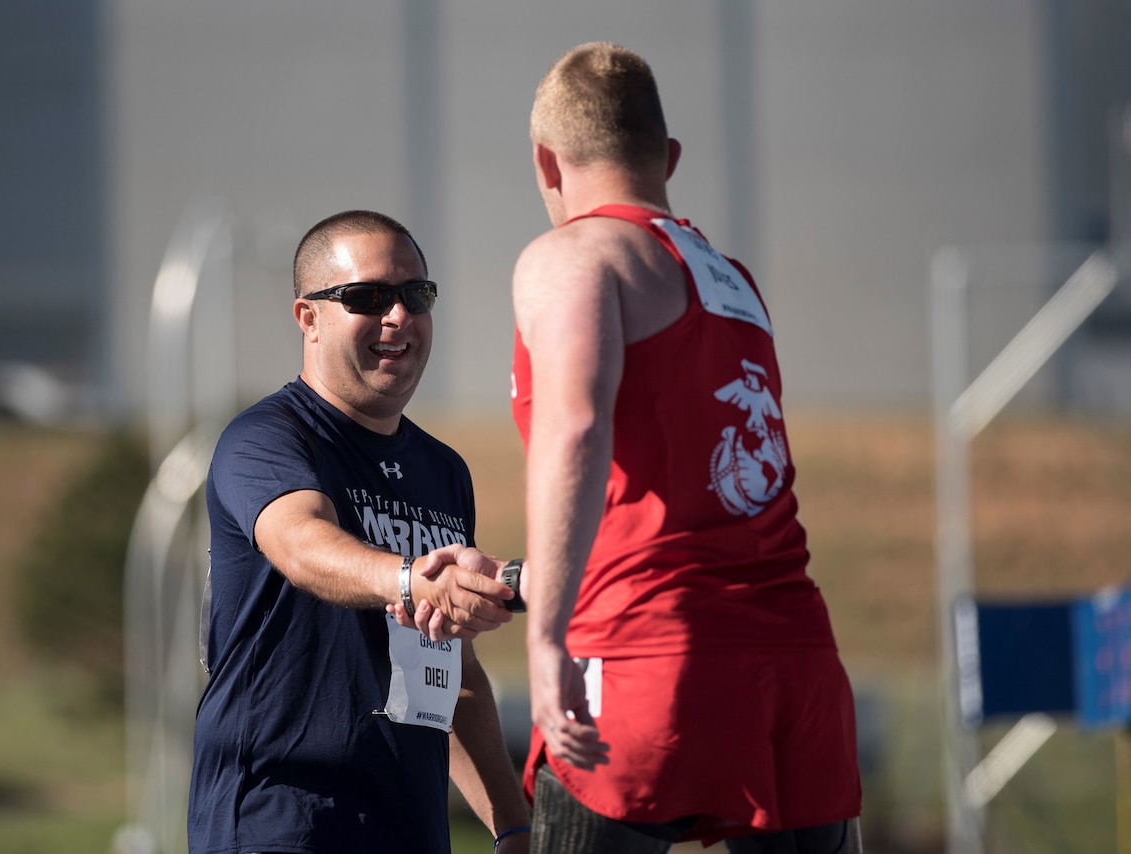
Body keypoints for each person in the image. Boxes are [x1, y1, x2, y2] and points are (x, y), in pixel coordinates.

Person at [508, 43, 863, 853]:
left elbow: (576, 427)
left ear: (546, 165)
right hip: (796, 661)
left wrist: (546, 637)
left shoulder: (574, 256)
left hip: (648, 652)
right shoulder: (730, 277)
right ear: (667, 159)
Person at [188, 209, 532, 854]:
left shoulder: (443, 471)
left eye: (415, 295)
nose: (397, 316)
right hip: (281, 822)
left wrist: (513, 828)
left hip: (411, 828)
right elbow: (301, 544)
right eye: (367, 298)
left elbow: (452, 675)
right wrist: (411, 581)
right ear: (308, 318)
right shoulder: (266, 438)